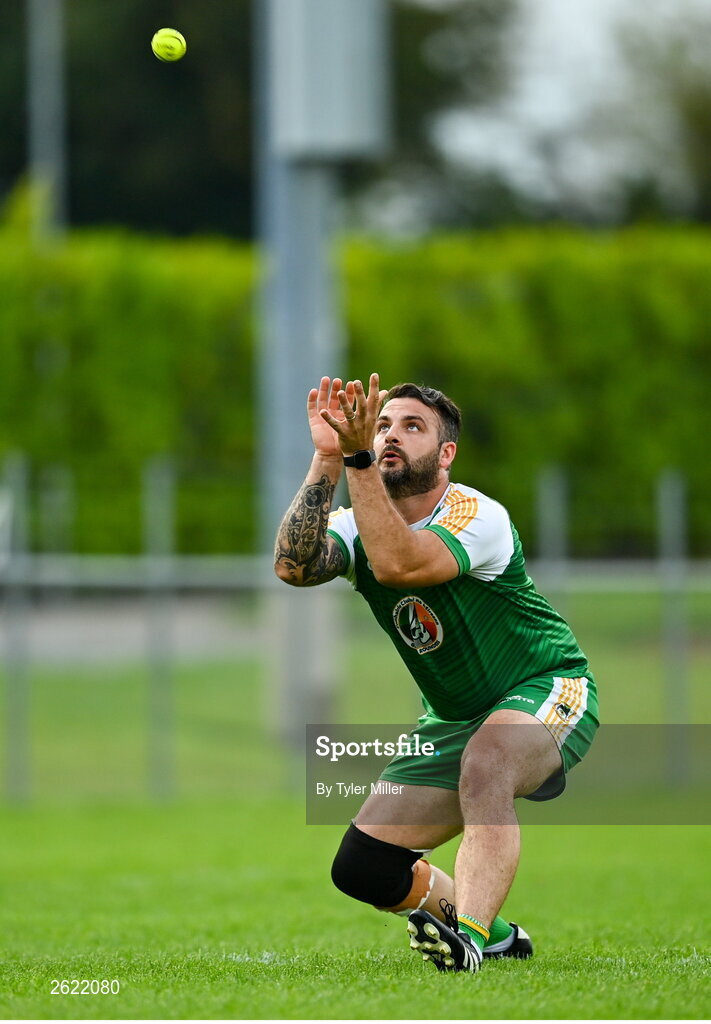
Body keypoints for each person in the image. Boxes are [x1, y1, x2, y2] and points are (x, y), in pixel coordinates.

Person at [274, 373, 599, 974]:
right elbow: (293, 566)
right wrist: (328, 457)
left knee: (488, 762)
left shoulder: (477, 515)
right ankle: (497, 937)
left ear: (446, 454)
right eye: (382, 425)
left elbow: (399, 564)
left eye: (412, 426)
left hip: (547, 687)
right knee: (364, 870)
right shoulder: (355, 519)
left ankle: (466, 938)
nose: (390, 435)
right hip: (453, 719)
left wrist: (359, 459)